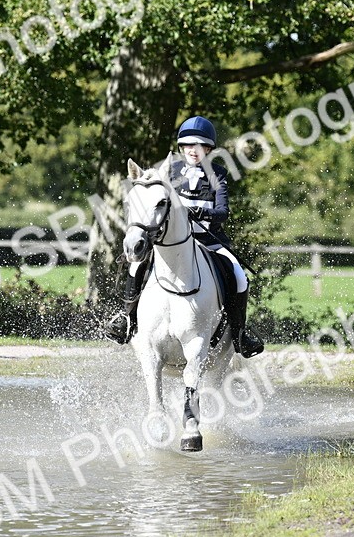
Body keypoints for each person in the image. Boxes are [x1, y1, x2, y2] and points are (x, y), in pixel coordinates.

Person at [104, 116, 264, 357]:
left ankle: (240, 333)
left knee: (239, 277)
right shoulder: (170, 171)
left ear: (209, 149)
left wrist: (199, 211)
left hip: (208, 241)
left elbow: (222, 212)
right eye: (189, 146)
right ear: (182, 148)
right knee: (136, 267)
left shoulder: (217, 173)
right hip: (172, 244)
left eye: (201, 146)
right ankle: (126, 319)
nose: (194, 151)